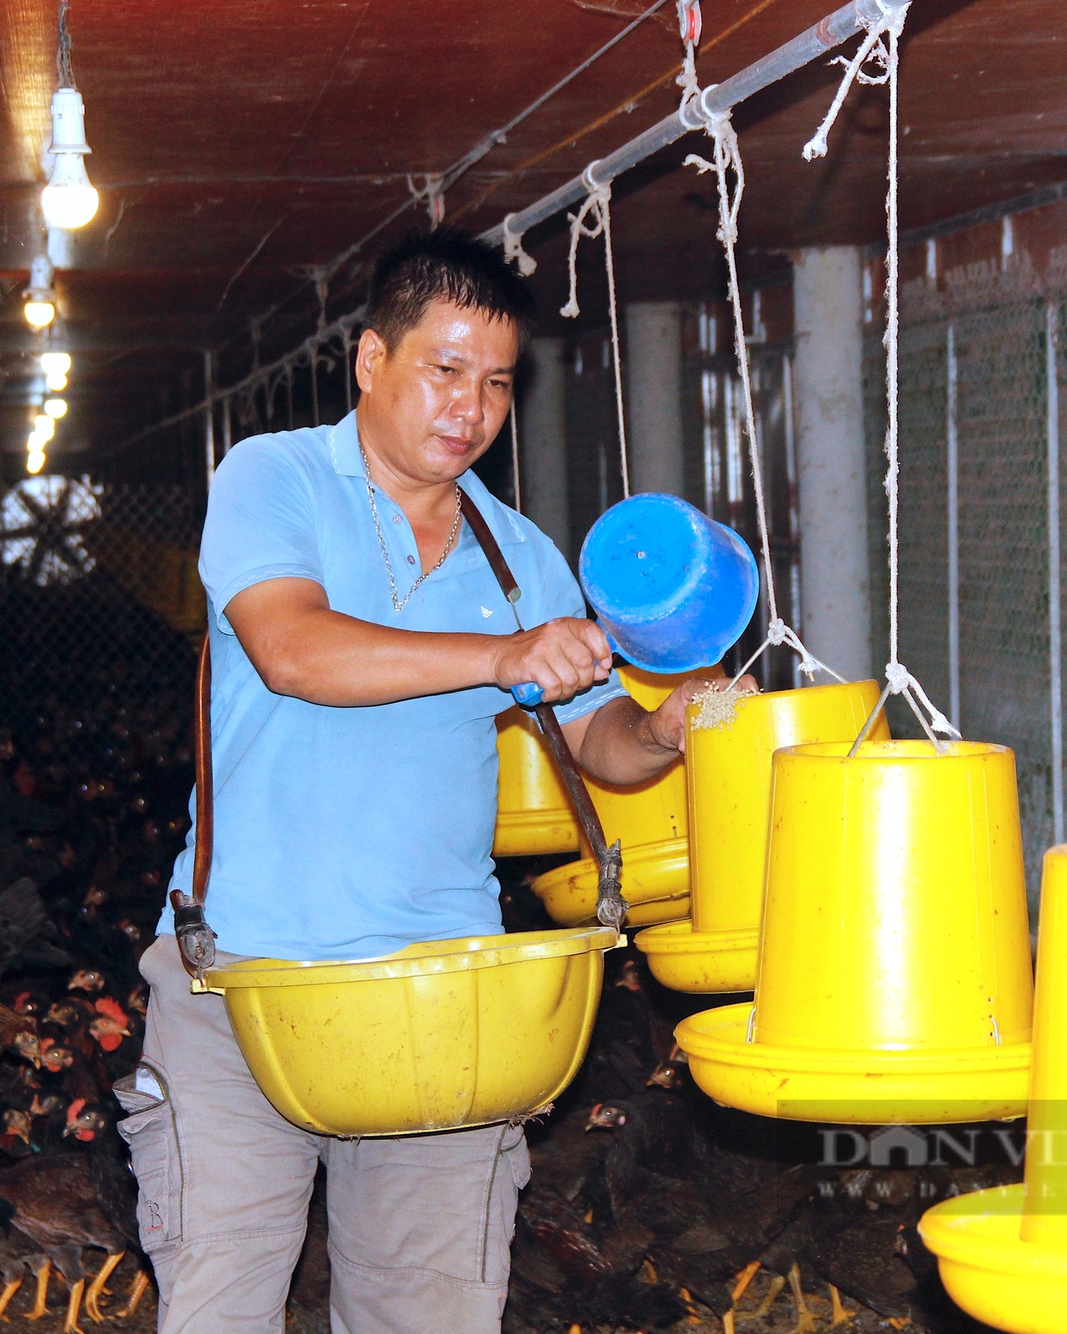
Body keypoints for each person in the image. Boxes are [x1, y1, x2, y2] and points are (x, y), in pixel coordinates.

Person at [123, 228, 737, 1334]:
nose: (470, 407)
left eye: (496, 382)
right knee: (216, 1308)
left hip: (441, 998)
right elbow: (293, 652)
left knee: (428, 1315)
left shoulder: (519, 556)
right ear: (370, 362)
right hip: (243, 982)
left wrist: (664, 727)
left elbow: (594, 736)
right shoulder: (274, 476)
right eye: (443, 370)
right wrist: (502, 655)